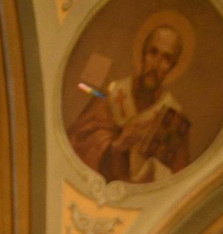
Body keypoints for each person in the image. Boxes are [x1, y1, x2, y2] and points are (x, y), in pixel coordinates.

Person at [66, 21, 193, 184]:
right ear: (142, 54)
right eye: (153, 53)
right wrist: (117, 146)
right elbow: (79, 140)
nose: (156, 64)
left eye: (166, 59)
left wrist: (151, 168)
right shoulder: (112, 94)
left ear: (172, 67)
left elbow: (178, 180)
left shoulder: (174, 118)